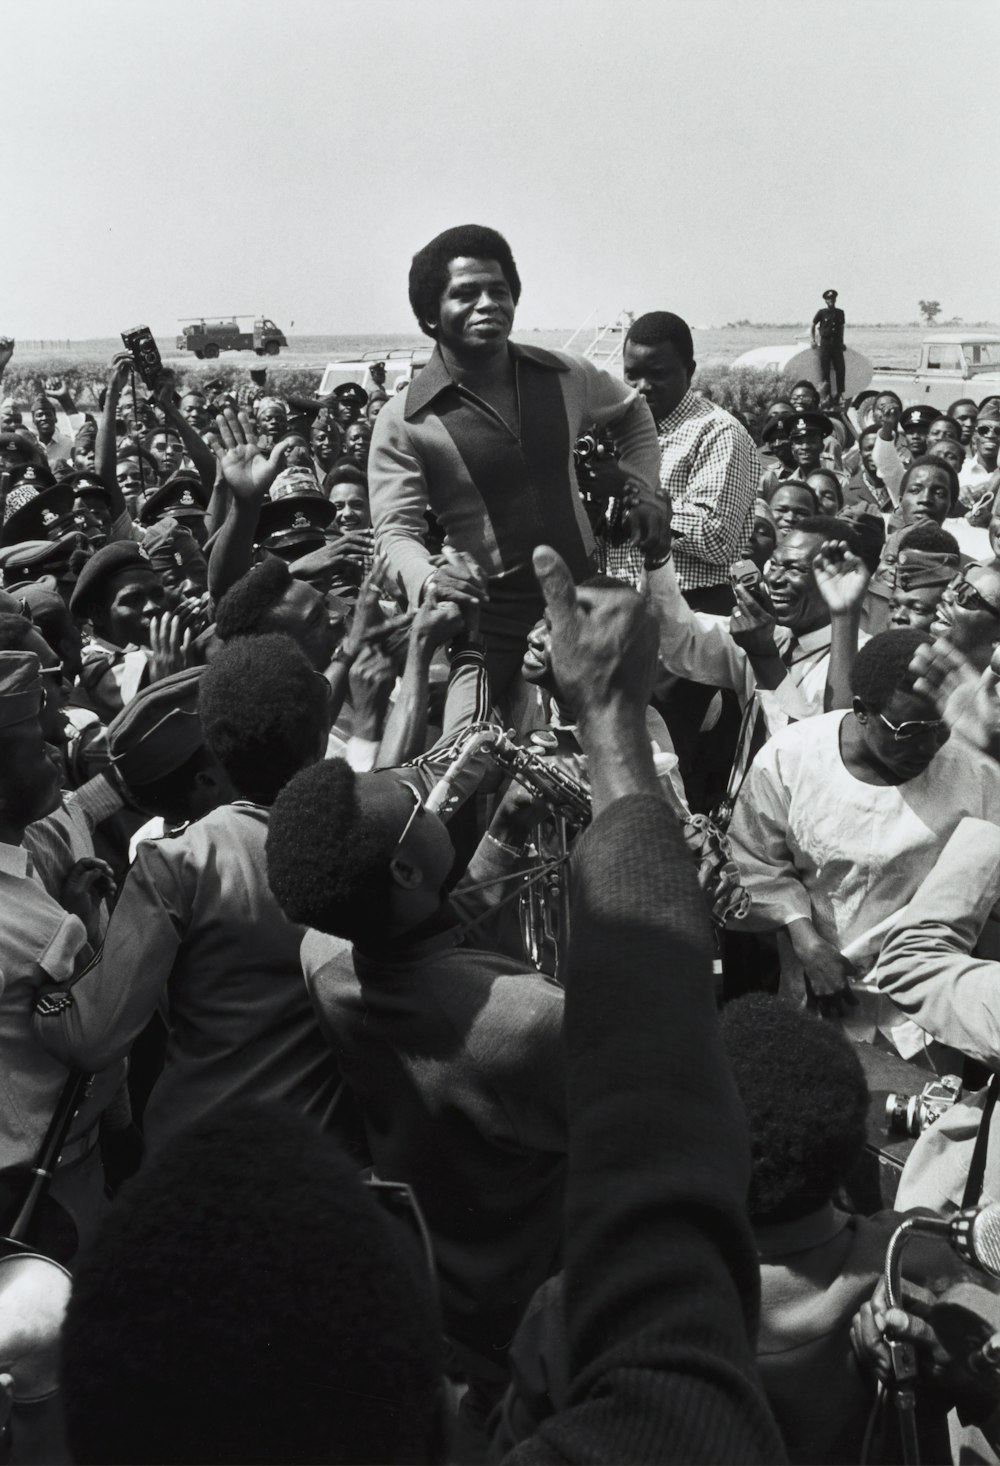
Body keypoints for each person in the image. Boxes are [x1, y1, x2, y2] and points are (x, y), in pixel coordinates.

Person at [33, 634, 345, 1158]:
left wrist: (66, 957)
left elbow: (89, 1035)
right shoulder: (373, 825)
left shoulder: (178, 862)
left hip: (204, 1150)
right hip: (327, 1151)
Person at [368, 224, 669, 696]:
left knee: (606, 745)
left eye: (499, 290)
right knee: (471, 757)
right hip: (487, 621)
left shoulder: (564, 373)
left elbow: (633, 413)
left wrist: (643, 490)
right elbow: (394, 531)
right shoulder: (404, 419)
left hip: (581, 601)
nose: (488, 304)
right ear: (430, 315)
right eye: (466, 294)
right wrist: (430, 581)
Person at [726, 629, 1000, 1029]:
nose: (926, 747)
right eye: (907, 731)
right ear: (861, 711)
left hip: (925, 1010)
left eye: (938, 728)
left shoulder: (976, 774)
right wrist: (806, 941)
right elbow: (755, 861)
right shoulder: (793, 757)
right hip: (818, 987)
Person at [0, 650, 122, 1254]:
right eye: (33, 743)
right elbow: (96, 1029)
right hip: (36, 1192)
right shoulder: (14, 919)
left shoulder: (23, 873)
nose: (55, 750)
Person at [811, 289, 846, 404]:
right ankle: (827, 395)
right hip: (825, 344)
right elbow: (813, 324)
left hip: (836, 344)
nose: (831, 301)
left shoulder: (840, 313)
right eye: (828, 299)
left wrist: (842, 342)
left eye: (832, 299)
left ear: (835, 299)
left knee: (840, 368)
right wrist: (813, 340)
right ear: (825, 301)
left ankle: (840, 394)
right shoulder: (821, 313)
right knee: (825, 370)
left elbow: (841, 328)